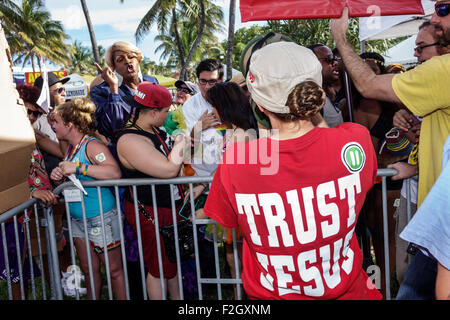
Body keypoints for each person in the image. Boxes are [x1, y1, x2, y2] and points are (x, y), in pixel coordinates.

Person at [203, 42, 382, 300]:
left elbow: (228, 222)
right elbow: (324, 144)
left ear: (258, 104)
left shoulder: (237, 161)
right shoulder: (356, 140)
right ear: (316, 92)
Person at [330, 3, 450, 299]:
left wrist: (341, 40)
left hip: (442, 222)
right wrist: (414, 166)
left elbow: (369, 85)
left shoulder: (444, 70)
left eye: (444, 9)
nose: (436, 17)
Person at [116, 82, 187, 300]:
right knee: (157, 268)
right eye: (167, 111)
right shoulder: (130, 139)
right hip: (149, 209)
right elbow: (168, 170)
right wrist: (181, 141)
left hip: (166, 206)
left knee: (171, 262)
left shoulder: (151, 129)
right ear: (154, 112)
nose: (169, 114)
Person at [49, 98, 126, 300]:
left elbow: (114, 172)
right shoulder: (70, 148)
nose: (53, 126)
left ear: (70, 124)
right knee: (88, 269)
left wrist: (78, 167)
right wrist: (59, 177)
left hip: (101, 217)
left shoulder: (92, 145)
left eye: (56, 122)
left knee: (114, 271)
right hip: (77, 220)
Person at [90, 41, 158, 146]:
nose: (127, 61)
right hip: (126, 149)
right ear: (114, 67)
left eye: (131, 57)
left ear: (138, 60)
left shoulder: (152, 81)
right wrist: (114, 90)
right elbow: (113, 127)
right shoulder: (102, 90)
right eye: (120, 60)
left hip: (157, 142)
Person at [308, 44, 344, 128]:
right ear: (312, 63)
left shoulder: (328, 95)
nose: (335, 63)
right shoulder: (311, 101)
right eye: (329, 59)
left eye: (335, 59)